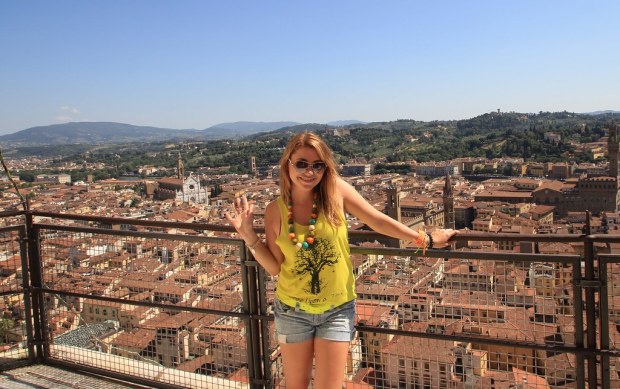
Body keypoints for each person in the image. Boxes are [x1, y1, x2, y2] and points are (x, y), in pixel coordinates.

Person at [226, 131, 457, 389]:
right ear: (287, 165)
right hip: (292, 311)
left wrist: (424, 238)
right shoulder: (274, 211)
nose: (309, 172)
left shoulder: (336, 191)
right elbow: (275, 267)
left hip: (337, 310)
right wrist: (248, 235)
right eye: (301, 163)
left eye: (317, 165)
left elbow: (376, 220)